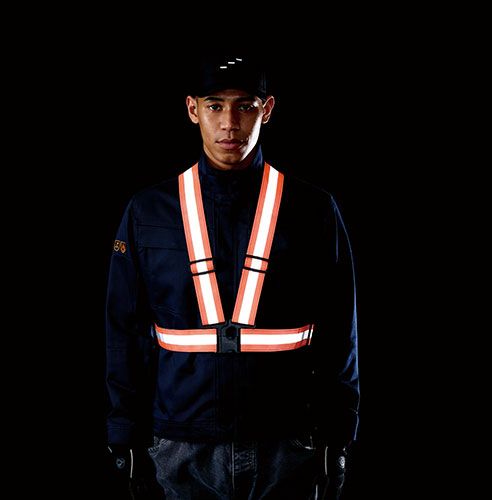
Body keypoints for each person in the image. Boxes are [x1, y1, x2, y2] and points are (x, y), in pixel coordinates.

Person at [106, 54, 359, 499]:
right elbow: (122, 332)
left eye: (245, 106)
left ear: (267, 110)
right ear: (192, 109)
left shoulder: (313, 209)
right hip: (180, 443)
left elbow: (341, 330)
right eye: (214, 105)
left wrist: (338, 435)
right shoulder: (148, 211)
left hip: (286, 443)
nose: (229, 123)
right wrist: (123, 435)